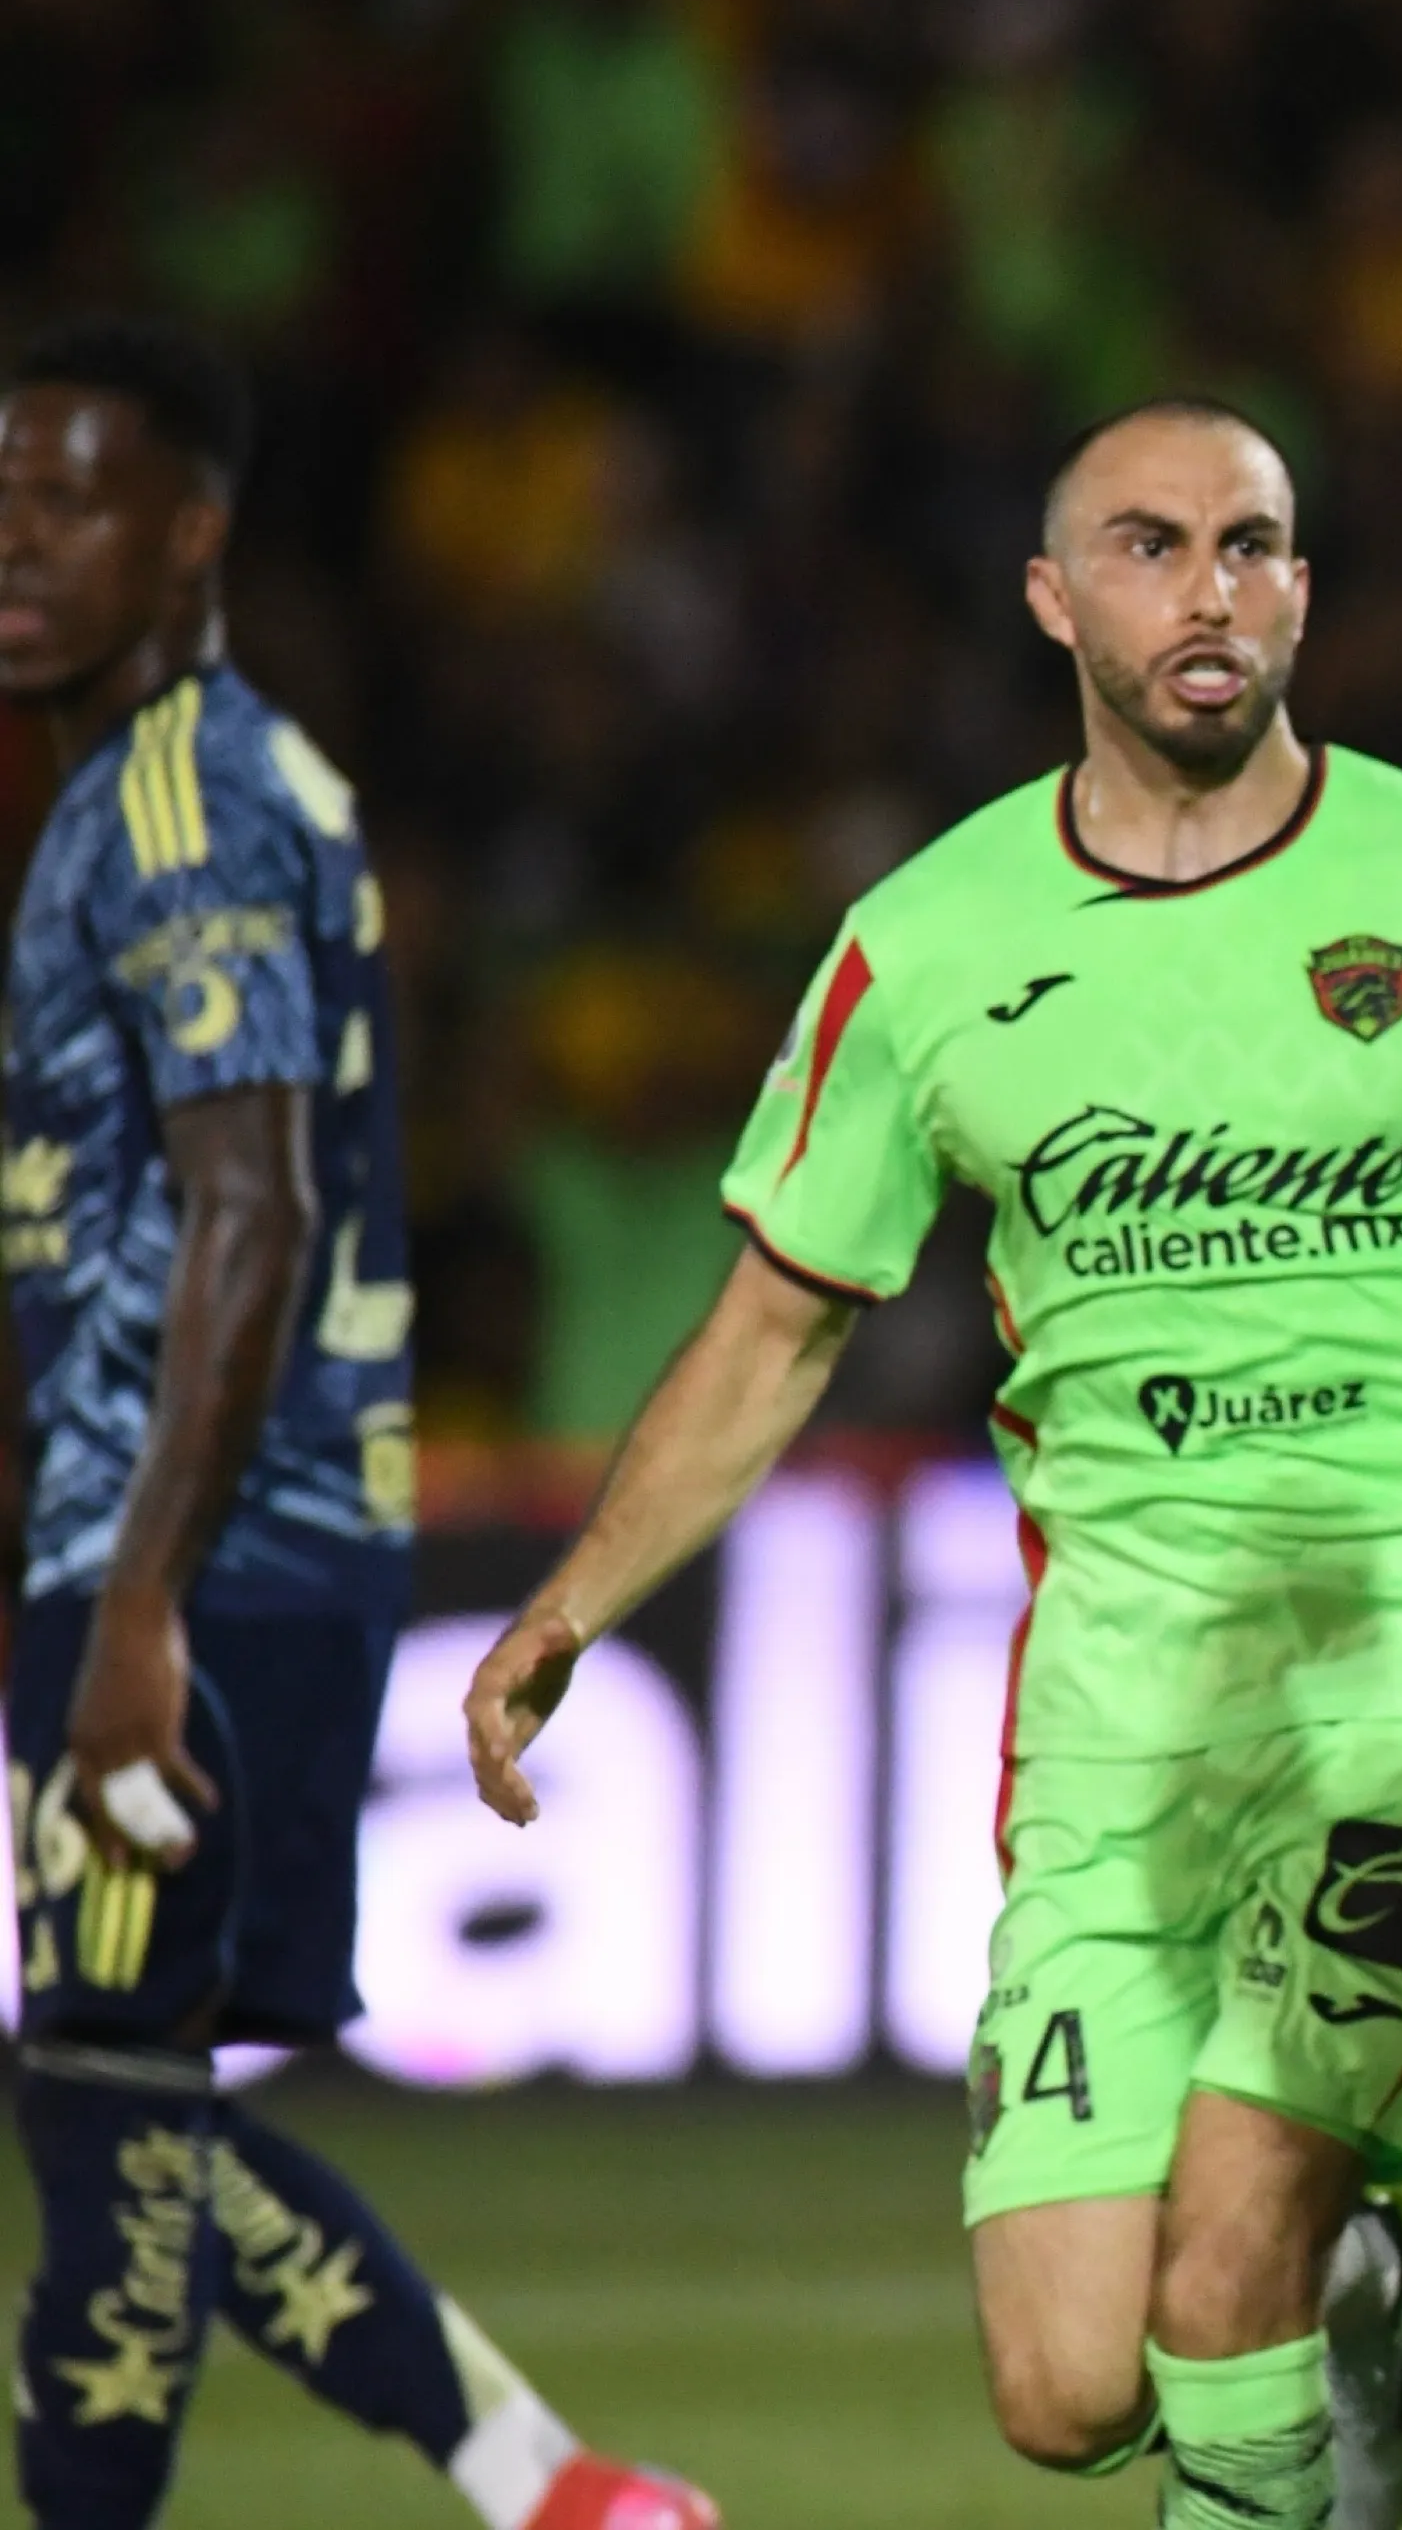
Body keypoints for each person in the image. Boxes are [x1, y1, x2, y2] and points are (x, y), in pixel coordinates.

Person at [461, 398, 1402, 2530]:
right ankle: (1353, 2293)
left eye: (1252, 544)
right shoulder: (929, 942)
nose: (1209, 589)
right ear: (1056, 600)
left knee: (1221, 2245)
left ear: (1303, 589)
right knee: (1067, 2384)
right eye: (1150, 548)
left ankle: (1297, 2277)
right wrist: (568, 1603)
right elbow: (778, 1323)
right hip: (1114, 1708)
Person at [0, 317, 713, 2529]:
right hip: (229, 1543)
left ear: (191, 531)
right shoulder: (157, 792)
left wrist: (136, 1603)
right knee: (122, 2090)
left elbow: (253, 1197)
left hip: (201, 1556)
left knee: (105, 2095)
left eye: (73, 495)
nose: (19, 538)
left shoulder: (187, 803)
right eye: (1, 495)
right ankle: (550, 2489)